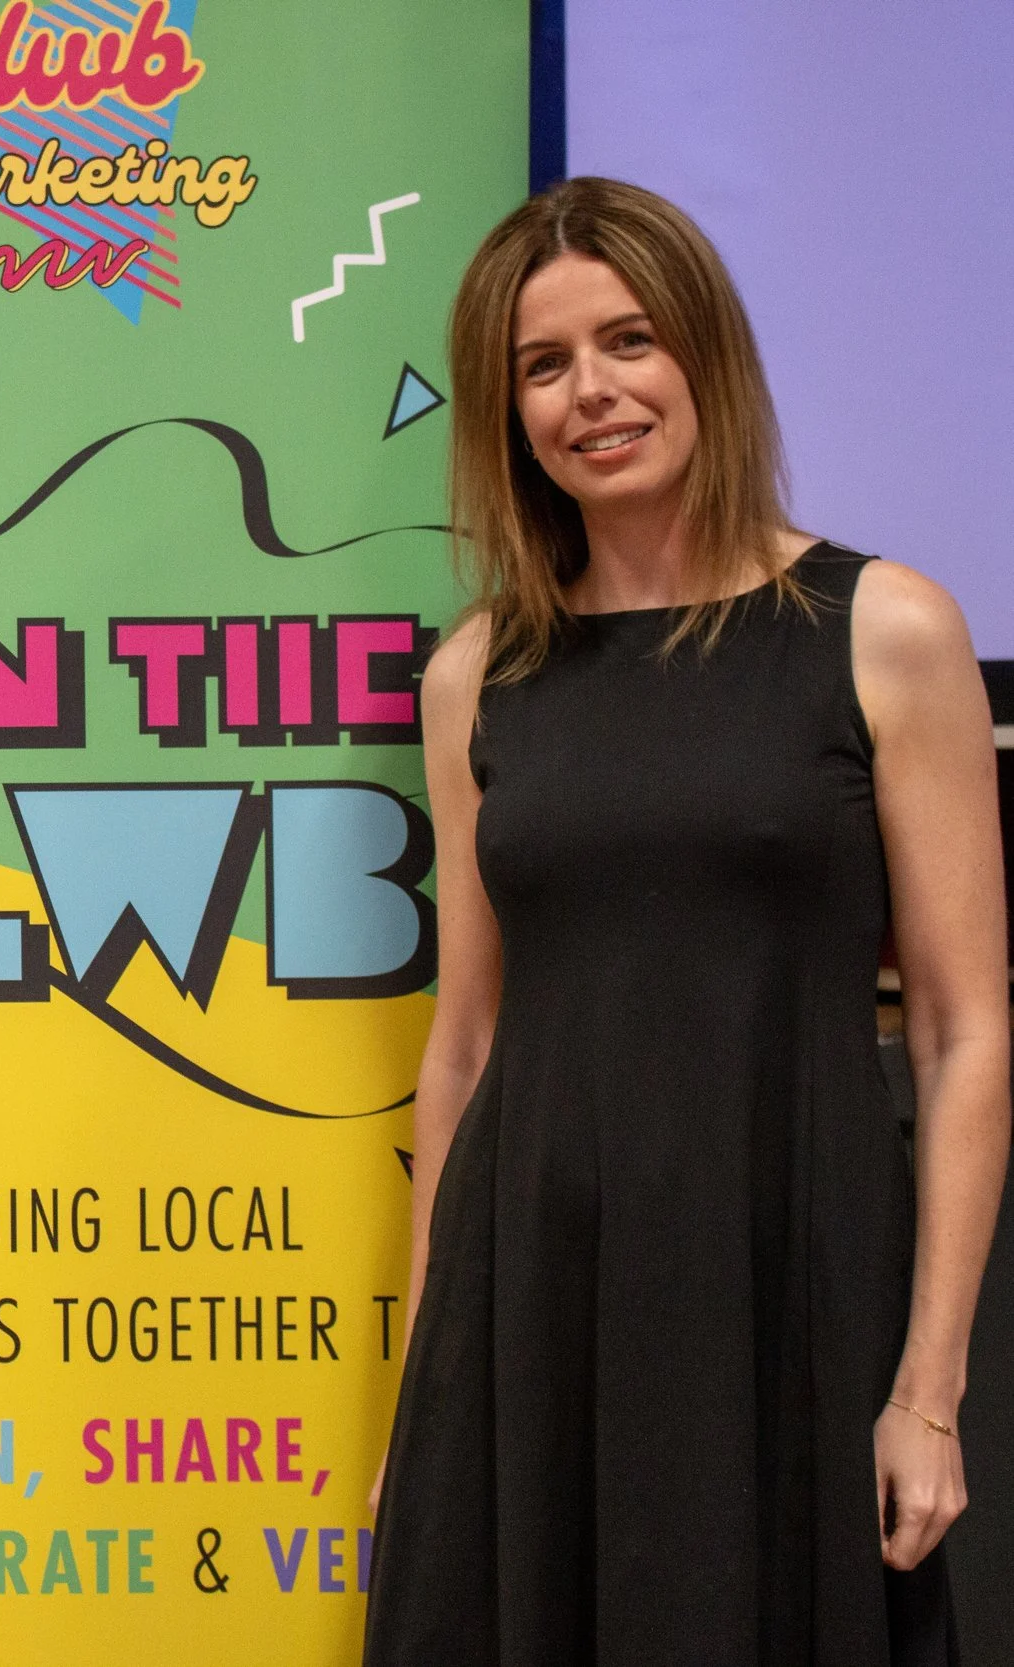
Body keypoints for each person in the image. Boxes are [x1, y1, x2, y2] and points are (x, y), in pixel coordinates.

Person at [366, 178, 1009, 1664]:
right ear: (508, 411)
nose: (591, 392)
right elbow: (462, 1048)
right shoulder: (478, 675)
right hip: (528, 1308)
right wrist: (423, 1393)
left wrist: (928, 1392)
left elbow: (964, 1032)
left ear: (704, 351)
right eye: (543, 365)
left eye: (630, 340)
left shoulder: (886, 630)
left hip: (787, 1287)